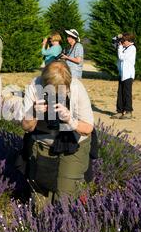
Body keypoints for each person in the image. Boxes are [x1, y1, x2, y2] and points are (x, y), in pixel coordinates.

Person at [21, 60, 94, 208]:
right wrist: (34, 113)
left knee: (65, 198)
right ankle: (41, 227)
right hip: (43, 143)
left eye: (61, 91)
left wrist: (70, 120)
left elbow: (88, 128)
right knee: (40, 201)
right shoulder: (35, 86)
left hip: (74, 144)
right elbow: (26, 127)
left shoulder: (76, 87)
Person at [111, 33, 136, 120]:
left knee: (127, 94)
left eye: (123, 41)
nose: (122, 42)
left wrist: (120, 47)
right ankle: (119, 111)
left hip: (128, 75)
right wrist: (118, 37)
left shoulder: (132, 48)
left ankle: (128, 111)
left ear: (129, 41)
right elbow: (113, 41)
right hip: (122, 74)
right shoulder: (124, 48)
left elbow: (121, 57)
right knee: (120, 93)